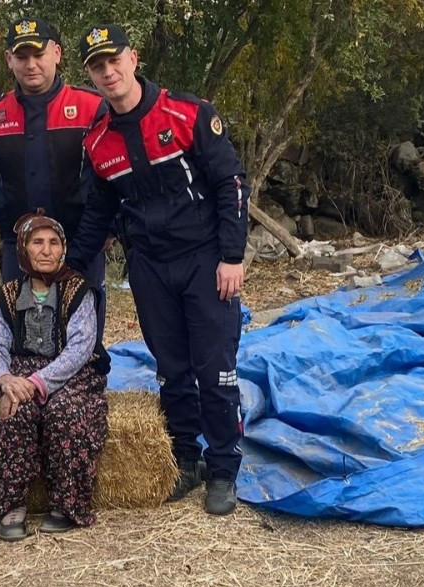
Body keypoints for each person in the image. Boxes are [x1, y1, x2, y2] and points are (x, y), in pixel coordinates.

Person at [67, 25, 248, 516]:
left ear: (133, 58)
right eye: (96, 66)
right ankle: (186, 460)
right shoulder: (98, 140)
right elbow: (97, 214)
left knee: (215, 368)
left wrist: (232, 256)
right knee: (172, 370)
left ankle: (224, 468)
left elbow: (231, 183)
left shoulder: (188, 113)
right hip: (148, 268)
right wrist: (69, 270)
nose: (108, 72)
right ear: (88, 74)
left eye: (114, 60)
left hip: (206, 261)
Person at [0, 16, 109, 379]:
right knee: (22, 334)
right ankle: (21, 395)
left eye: (38, 54)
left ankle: (83, 396)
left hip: (81, 242)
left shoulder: (91, 106)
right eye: (21, 56)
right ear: (9, 59)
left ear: (57, 54)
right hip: (16, 246)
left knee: (82, 334)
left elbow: (112, 176)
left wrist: (112, 227)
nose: (31, 64)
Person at [0, 210, 110, 541]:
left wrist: (36, 384)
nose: (46, 250)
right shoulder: (9, 294)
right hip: (20, 375)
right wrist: (5, 380)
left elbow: (80, 350)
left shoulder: (80, 290)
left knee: (63, 413)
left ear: (63, 249)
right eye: (37, 242)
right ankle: (11, 504)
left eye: (54, 242)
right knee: (16, 412)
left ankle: (67, 504)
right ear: (24, 248)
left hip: (73, 375)